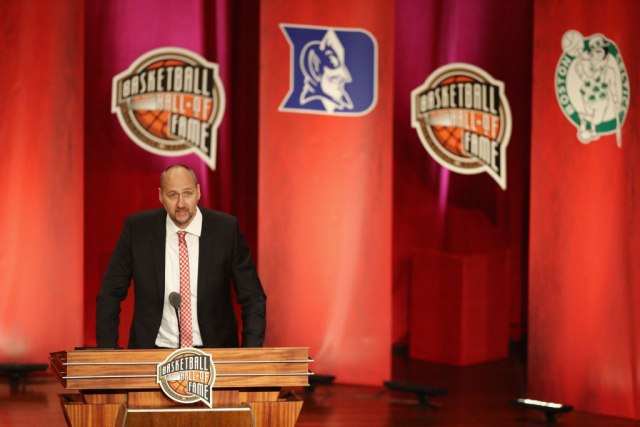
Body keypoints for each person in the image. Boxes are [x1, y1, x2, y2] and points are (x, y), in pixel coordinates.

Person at [96, 164, 266, 349]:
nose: (181, 204)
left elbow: (253, 297)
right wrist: (107, 353)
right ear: (161, 196)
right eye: (172, 195)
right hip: (154, 353)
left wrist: (250, 355)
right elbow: (110, 293)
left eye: (187, 193)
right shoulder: (137, 230)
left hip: (214, 353)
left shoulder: (226, 230)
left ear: (198, 192)